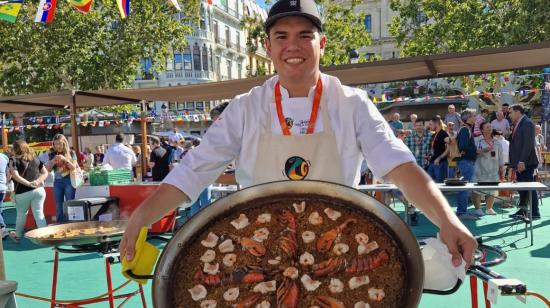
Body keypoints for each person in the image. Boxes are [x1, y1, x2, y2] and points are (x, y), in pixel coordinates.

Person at [120, 0, 476, 269]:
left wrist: (448, 221)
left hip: (337, 249)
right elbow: (192, 172)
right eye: (282, 36)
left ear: (322, 43)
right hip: (260, 251)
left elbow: (399, 166)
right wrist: (140, 218)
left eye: (305, 36)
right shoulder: (246, 107)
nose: (294, 46)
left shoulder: (352, 104)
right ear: (269, 46)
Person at [9, 140, 48, 242]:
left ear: (15, 148)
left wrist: (29, 184)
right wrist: (37, 181)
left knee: (21, 214)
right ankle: (45, 237)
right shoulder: (35, 159)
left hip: (23, 193)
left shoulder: (13, 160)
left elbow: (15, 176)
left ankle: (17, 235)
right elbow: (45, 173)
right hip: (39, 190)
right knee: (39, 214)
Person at [509, 105, 540, 219]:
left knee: (529, 187)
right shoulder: (519, 123)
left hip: (525, 163)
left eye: (511, 112)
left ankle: (535, 212)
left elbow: (528, 145)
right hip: (520, 163)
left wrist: (522, 161)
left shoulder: (527, 123)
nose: (509, 115)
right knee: (523, 188)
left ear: (518, 112)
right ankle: (523, 211)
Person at [471, 123, 504, 216]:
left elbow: (501, 157)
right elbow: (473, 153)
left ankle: (489, 208)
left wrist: (501, 169)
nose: (490, 128)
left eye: (491, 127)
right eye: (487, 127)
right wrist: (482, 150)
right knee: (477, 190)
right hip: (480, 169)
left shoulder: (497, 142)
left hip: (493, 170)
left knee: (492, 189)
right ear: (482, 130)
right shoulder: (478, 141)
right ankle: (477, 209)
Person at [46, 134, 78, 223]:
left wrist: (65, 159)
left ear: (64, 143)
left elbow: (73, 167)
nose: (57, 146)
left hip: (69, 181)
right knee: (58, 206)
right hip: (57, 182)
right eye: (55, 144)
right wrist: (53, 161)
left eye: (59, 144)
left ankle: (71, 224)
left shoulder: (71, 152)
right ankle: (60, 225)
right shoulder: (52, 154)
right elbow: (47, 170)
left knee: (69, 204)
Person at [456, 109, 478, 220]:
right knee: (464, 187)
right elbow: (462, 147)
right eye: (474, 115)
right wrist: (475, 150)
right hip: (466, 161)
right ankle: (461, 212)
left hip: (467, 161)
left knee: (465, 187)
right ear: (468, 117)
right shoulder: (465, 129)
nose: (476, 117)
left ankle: (462, 211)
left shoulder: (467, 128)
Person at [427, 116, 449, 183]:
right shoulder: (433, 135)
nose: (429, 126)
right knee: (430, 184)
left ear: (436, 123)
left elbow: (448, 149)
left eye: (431, 124)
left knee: (440, 186)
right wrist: (429, 155)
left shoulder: (444, 134)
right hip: (432, 162)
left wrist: (439, 158)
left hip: (441, 163)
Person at [0, 152, 9, 239]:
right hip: (3, 188)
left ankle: (3, 228)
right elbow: (8, 173)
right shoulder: (4, 157)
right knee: (0, 209)